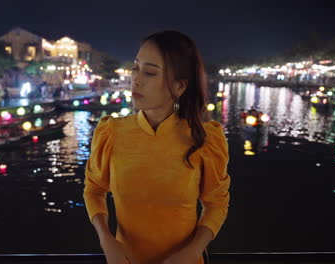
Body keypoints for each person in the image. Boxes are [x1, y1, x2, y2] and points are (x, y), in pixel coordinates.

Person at [84, 31, 231, 264]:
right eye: (135, 68)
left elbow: (216, 203)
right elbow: (94, 189)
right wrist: (106, 239)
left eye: (150, 72)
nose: (136, 79)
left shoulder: (204, 139)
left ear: (180, 86)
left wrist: (193, 251)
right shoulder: (112, 133)